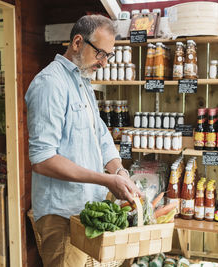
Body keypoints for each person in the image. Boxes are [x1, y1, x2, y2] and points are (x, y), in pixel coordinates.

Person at [25, 15, 142, 267]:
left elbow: (101, 137)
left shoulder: (83, 82)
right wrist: (106, 180)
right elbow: (43, 160)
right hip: (62, 216)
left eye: (108, 56)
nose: (103, 63)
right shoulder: (50, 84)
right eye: (100, 53)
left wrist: (119, 171)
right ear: (78, 42)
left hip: (86, 210)